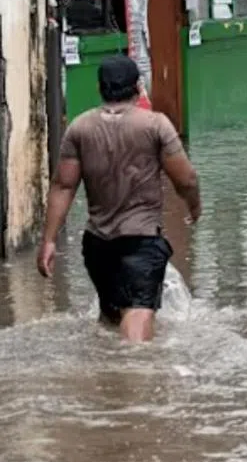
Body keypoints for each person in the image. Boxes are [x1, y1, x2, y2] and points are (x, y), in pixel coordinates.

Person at [36, 55, 200, 343]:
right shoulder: (155, 125)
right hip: (140, 242)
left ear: (101, 89)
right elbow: (186, 179)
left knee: (111, 321)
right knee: (137, 318)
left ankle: (105, 381)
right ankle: (132, 383)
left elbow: (63, 186)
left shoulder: (80, 128)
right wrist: (194, 207)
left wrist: (49, 240)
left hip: (98, 246)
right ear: (138, 87)